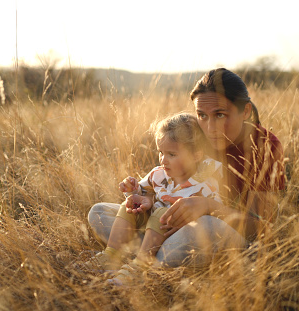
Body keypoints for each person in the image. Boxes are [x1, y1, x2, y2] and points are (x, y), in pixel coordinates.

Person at [87, 68, 285, 271]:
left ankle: (143, 265)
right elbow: (168, 186)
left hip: (220, 232)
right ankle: (151, 255)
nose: (209, 127)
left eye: (220, 115)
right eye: (202, 115)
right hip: (168, 228)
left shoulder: (265, 146)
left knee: (206, 228)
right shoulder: (195, 134)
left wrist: (208, 207)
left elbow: (259, 228)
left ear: (245, 111)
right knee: (99, 212)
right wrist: (146, 200)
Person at [83, 113, 223, 285]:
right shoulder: (158, 174)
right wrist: (135, 194)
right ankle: (111, 256)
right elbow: (145, 194)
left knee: (164, 213)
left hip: (172, 236)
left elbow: (211, 217)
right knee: (102, 210)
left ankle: (139, 267)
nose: (163, 160)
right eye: (160, 152)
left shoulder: (206, 183)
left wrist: (189, 219)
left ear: (196, 155)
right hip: (149, 231)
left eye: (172, 154)